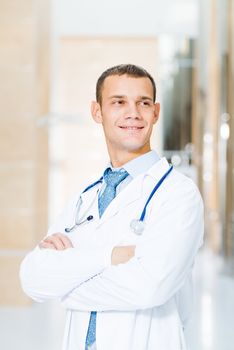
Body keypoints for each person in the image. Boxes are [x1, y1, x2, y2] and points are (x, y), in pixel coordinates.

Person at [20, 64, 204, 350]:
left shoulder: (178, 194)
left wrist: (65, 282)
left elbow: (150, 287)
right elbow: (32, 278)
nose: (133, 113)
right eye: (118, 102)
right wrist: (112, 256)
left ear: (155, 112)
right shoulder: (86, 196)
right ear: (97, 112)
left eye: (143, 103)